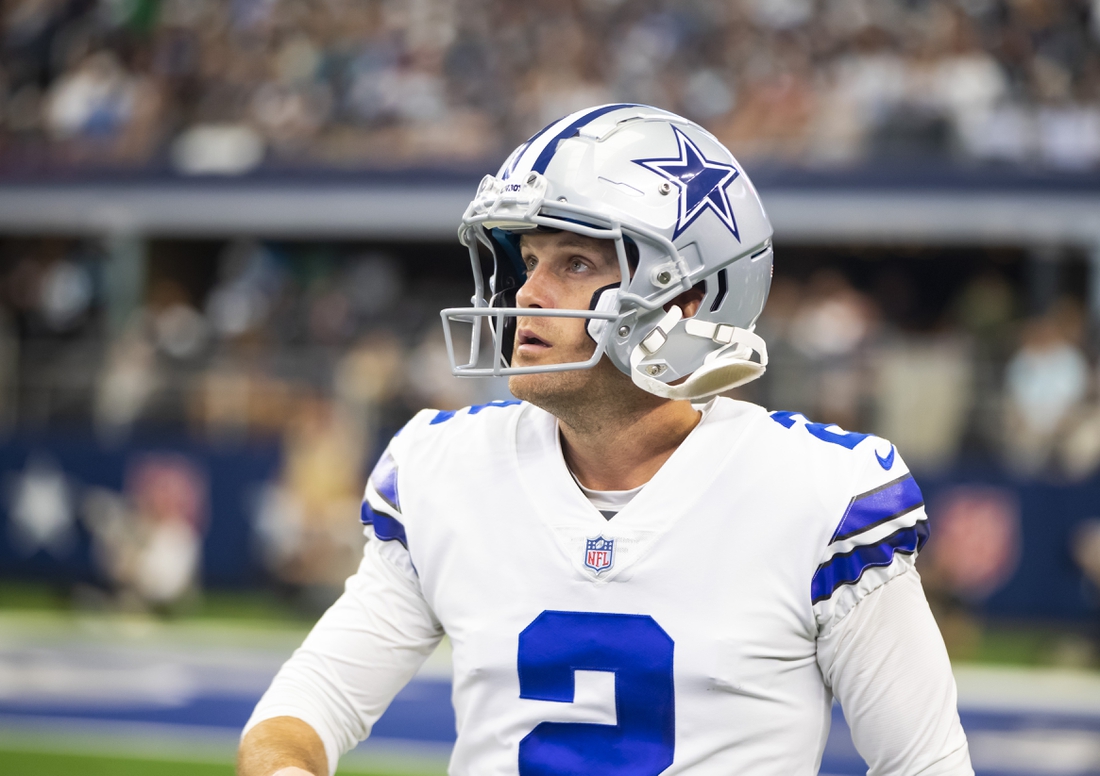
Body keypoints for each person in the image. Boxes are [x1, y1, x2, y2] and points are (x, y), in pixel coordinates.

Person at [238, 104, 972, 776]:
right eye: (529, 262)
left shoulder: (816, 495)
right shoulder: (443, 468)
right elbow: (306, 705)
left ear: (684, 299)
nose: (526, 293)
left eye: (575, 263)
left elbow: (927, 765)